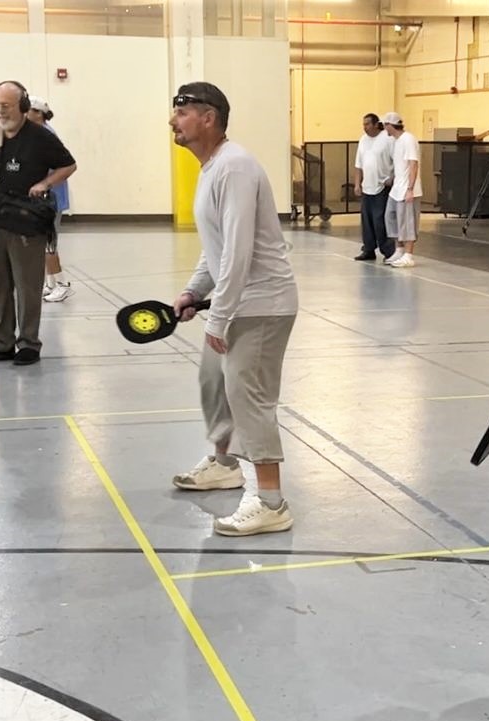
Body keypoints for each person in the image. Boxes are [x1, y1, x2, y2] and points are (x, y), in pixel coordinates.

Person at [168, 82, 298, 537]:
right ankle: (225, 464)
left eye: (181, 113)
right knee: (212, 382)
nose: (173, 121)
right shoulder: (211, 169)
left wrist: (218, 317)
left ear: (208, 118)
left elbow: (239, 251)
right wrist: (191, 292)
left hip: (262, 305)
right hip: (237, 301)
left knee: (249, 397)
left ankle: (271, 503)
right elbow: (217, 249)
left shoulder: (235, 167)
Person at [0, 80, 76, 366]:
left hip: (27, 224)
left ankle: (29, 343)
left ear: (23, 106)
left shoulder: (40, 137)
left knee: (28, 287)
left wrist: (45, 183)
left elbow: (69, 164)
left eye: (5, 106)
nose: (0, 111)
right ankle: (1, 342)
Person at [27, 96, 74, 303]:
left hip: (51, 198)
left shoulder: (46, 135)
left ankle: (62, 284)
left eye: (28, 110)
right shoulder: (40, 133)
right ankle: (51, 283)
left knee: (48, 242)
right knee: (44, 240)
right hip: (47, 197)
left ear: (38, 113)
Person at [381, 112, 422, 268]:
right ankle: (399, 250)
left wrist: (410, 189)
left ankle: (409, 255)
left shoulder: (408, 140)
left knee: (408, 221)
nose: (384, 128)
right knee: (390, 217)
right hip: (396, 188)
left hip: (407, 189)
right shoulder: (396, 142)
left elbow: (413, 164)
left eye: (385, 125)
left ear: (391, 125)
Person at [354, 113, 395, 262]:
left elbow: (396, 159)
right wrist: (357, 183)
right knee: (367, 221)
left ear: (376, 124)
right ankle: (368, 249)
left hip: (382, 187)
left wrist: (392, 178)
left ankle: (388, 251)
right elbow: (358, 164)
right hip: (367, 187)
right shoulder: (363, 141)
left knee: (381, 220)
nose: (365, 127)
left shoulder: (387, 139)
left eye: (367, 124)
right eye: (363, 124)